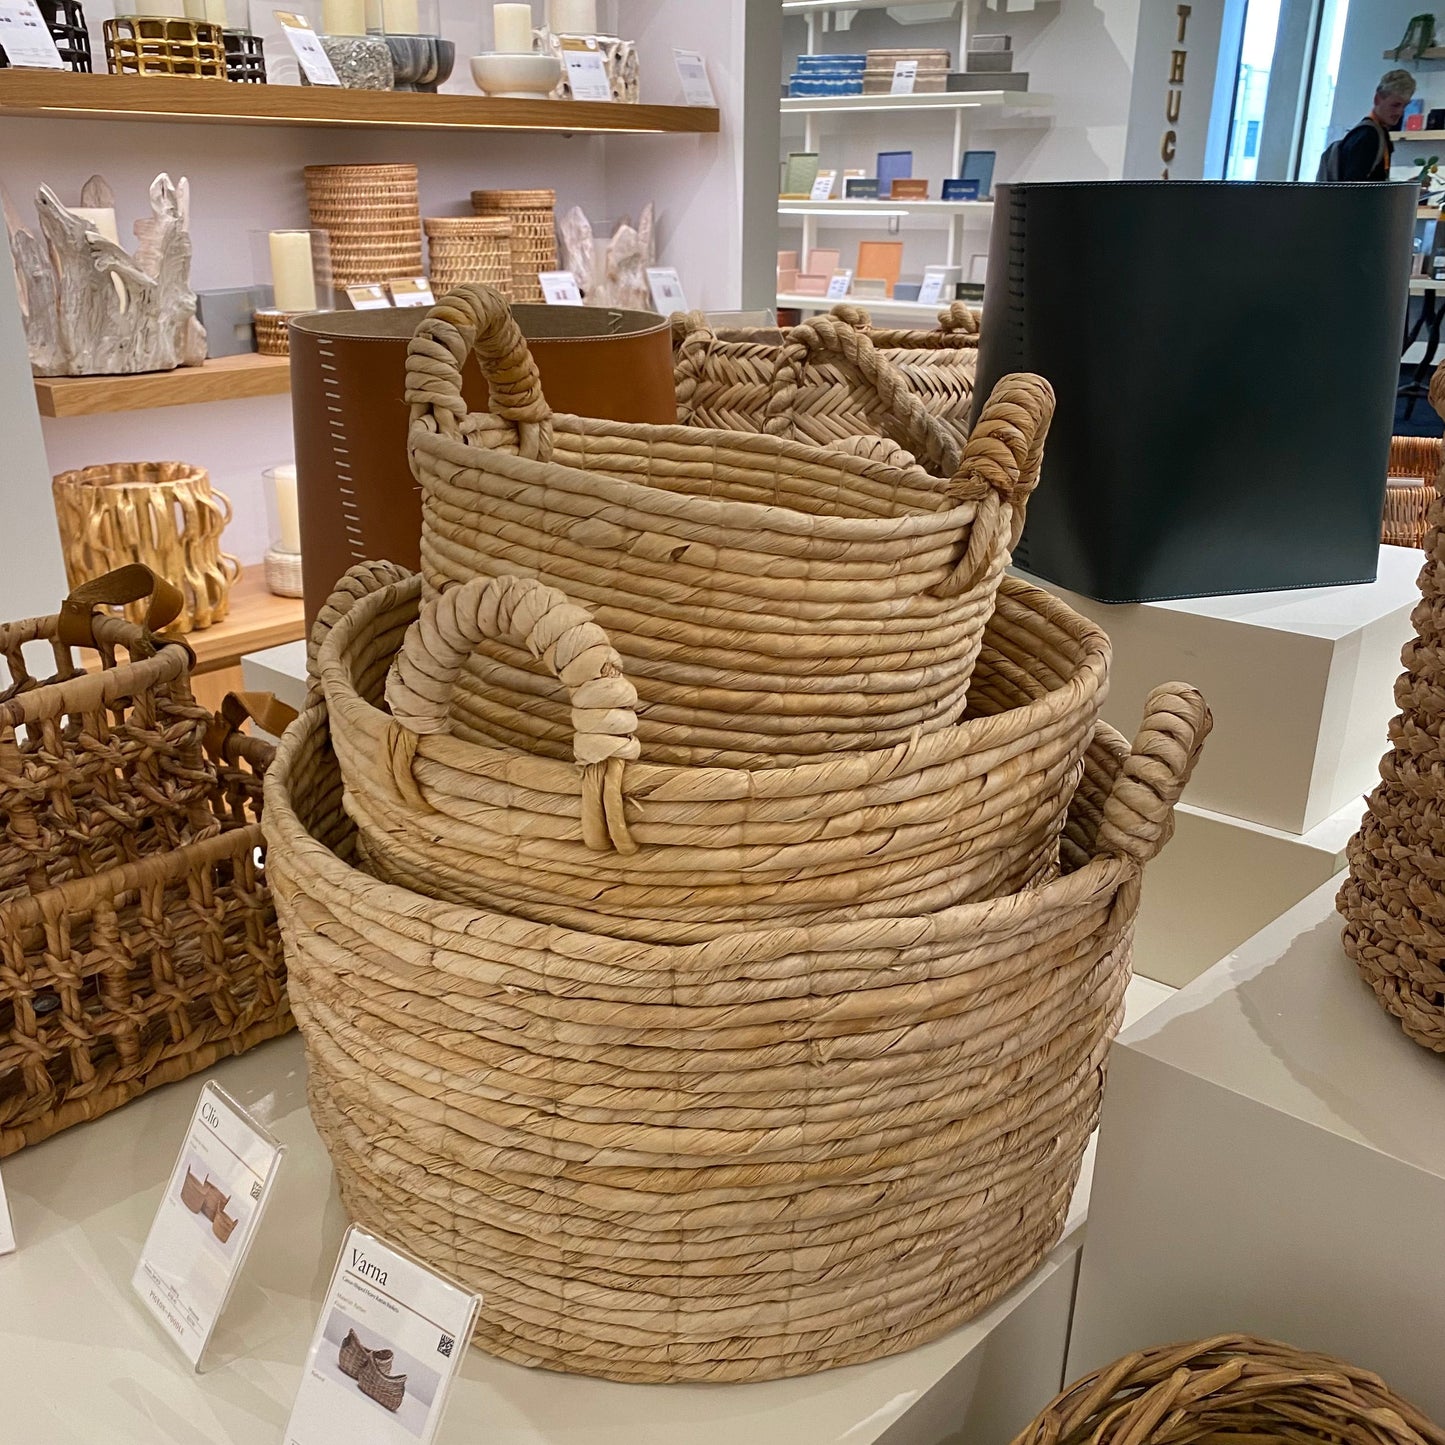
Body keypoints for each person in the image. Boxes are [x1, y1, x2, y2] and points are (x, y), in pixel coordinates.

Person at [1317, 70, 1417, 181]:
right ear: (1377, 99)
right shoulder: (1368, 136)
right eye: (1395, 105)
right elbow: (1354, 189)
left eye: (1405, 106)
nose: (1400, 112)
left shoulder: (1375, 132)